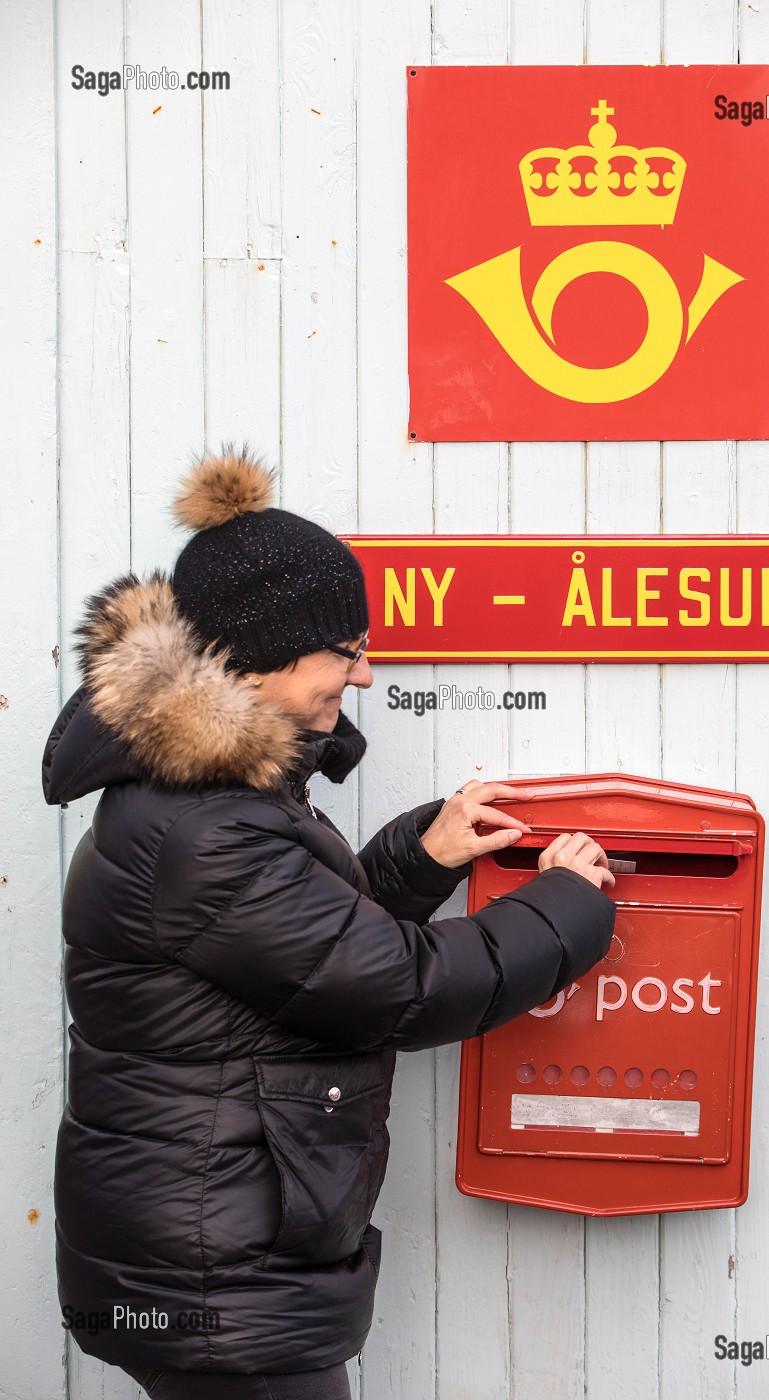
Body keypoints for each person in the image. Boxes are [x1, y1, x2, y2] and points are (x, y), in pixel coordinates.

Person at [43, 447, 616, 1400]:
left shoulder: (205, 798)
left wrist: (420, 857)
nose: (363, 667)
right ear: (264, 657)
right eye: (345, 648)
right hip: (213, 1273)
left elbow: (301, 963)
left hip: (211, 1245)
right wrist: (568, 908)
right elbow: (393, 990)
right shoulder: (202, 829)